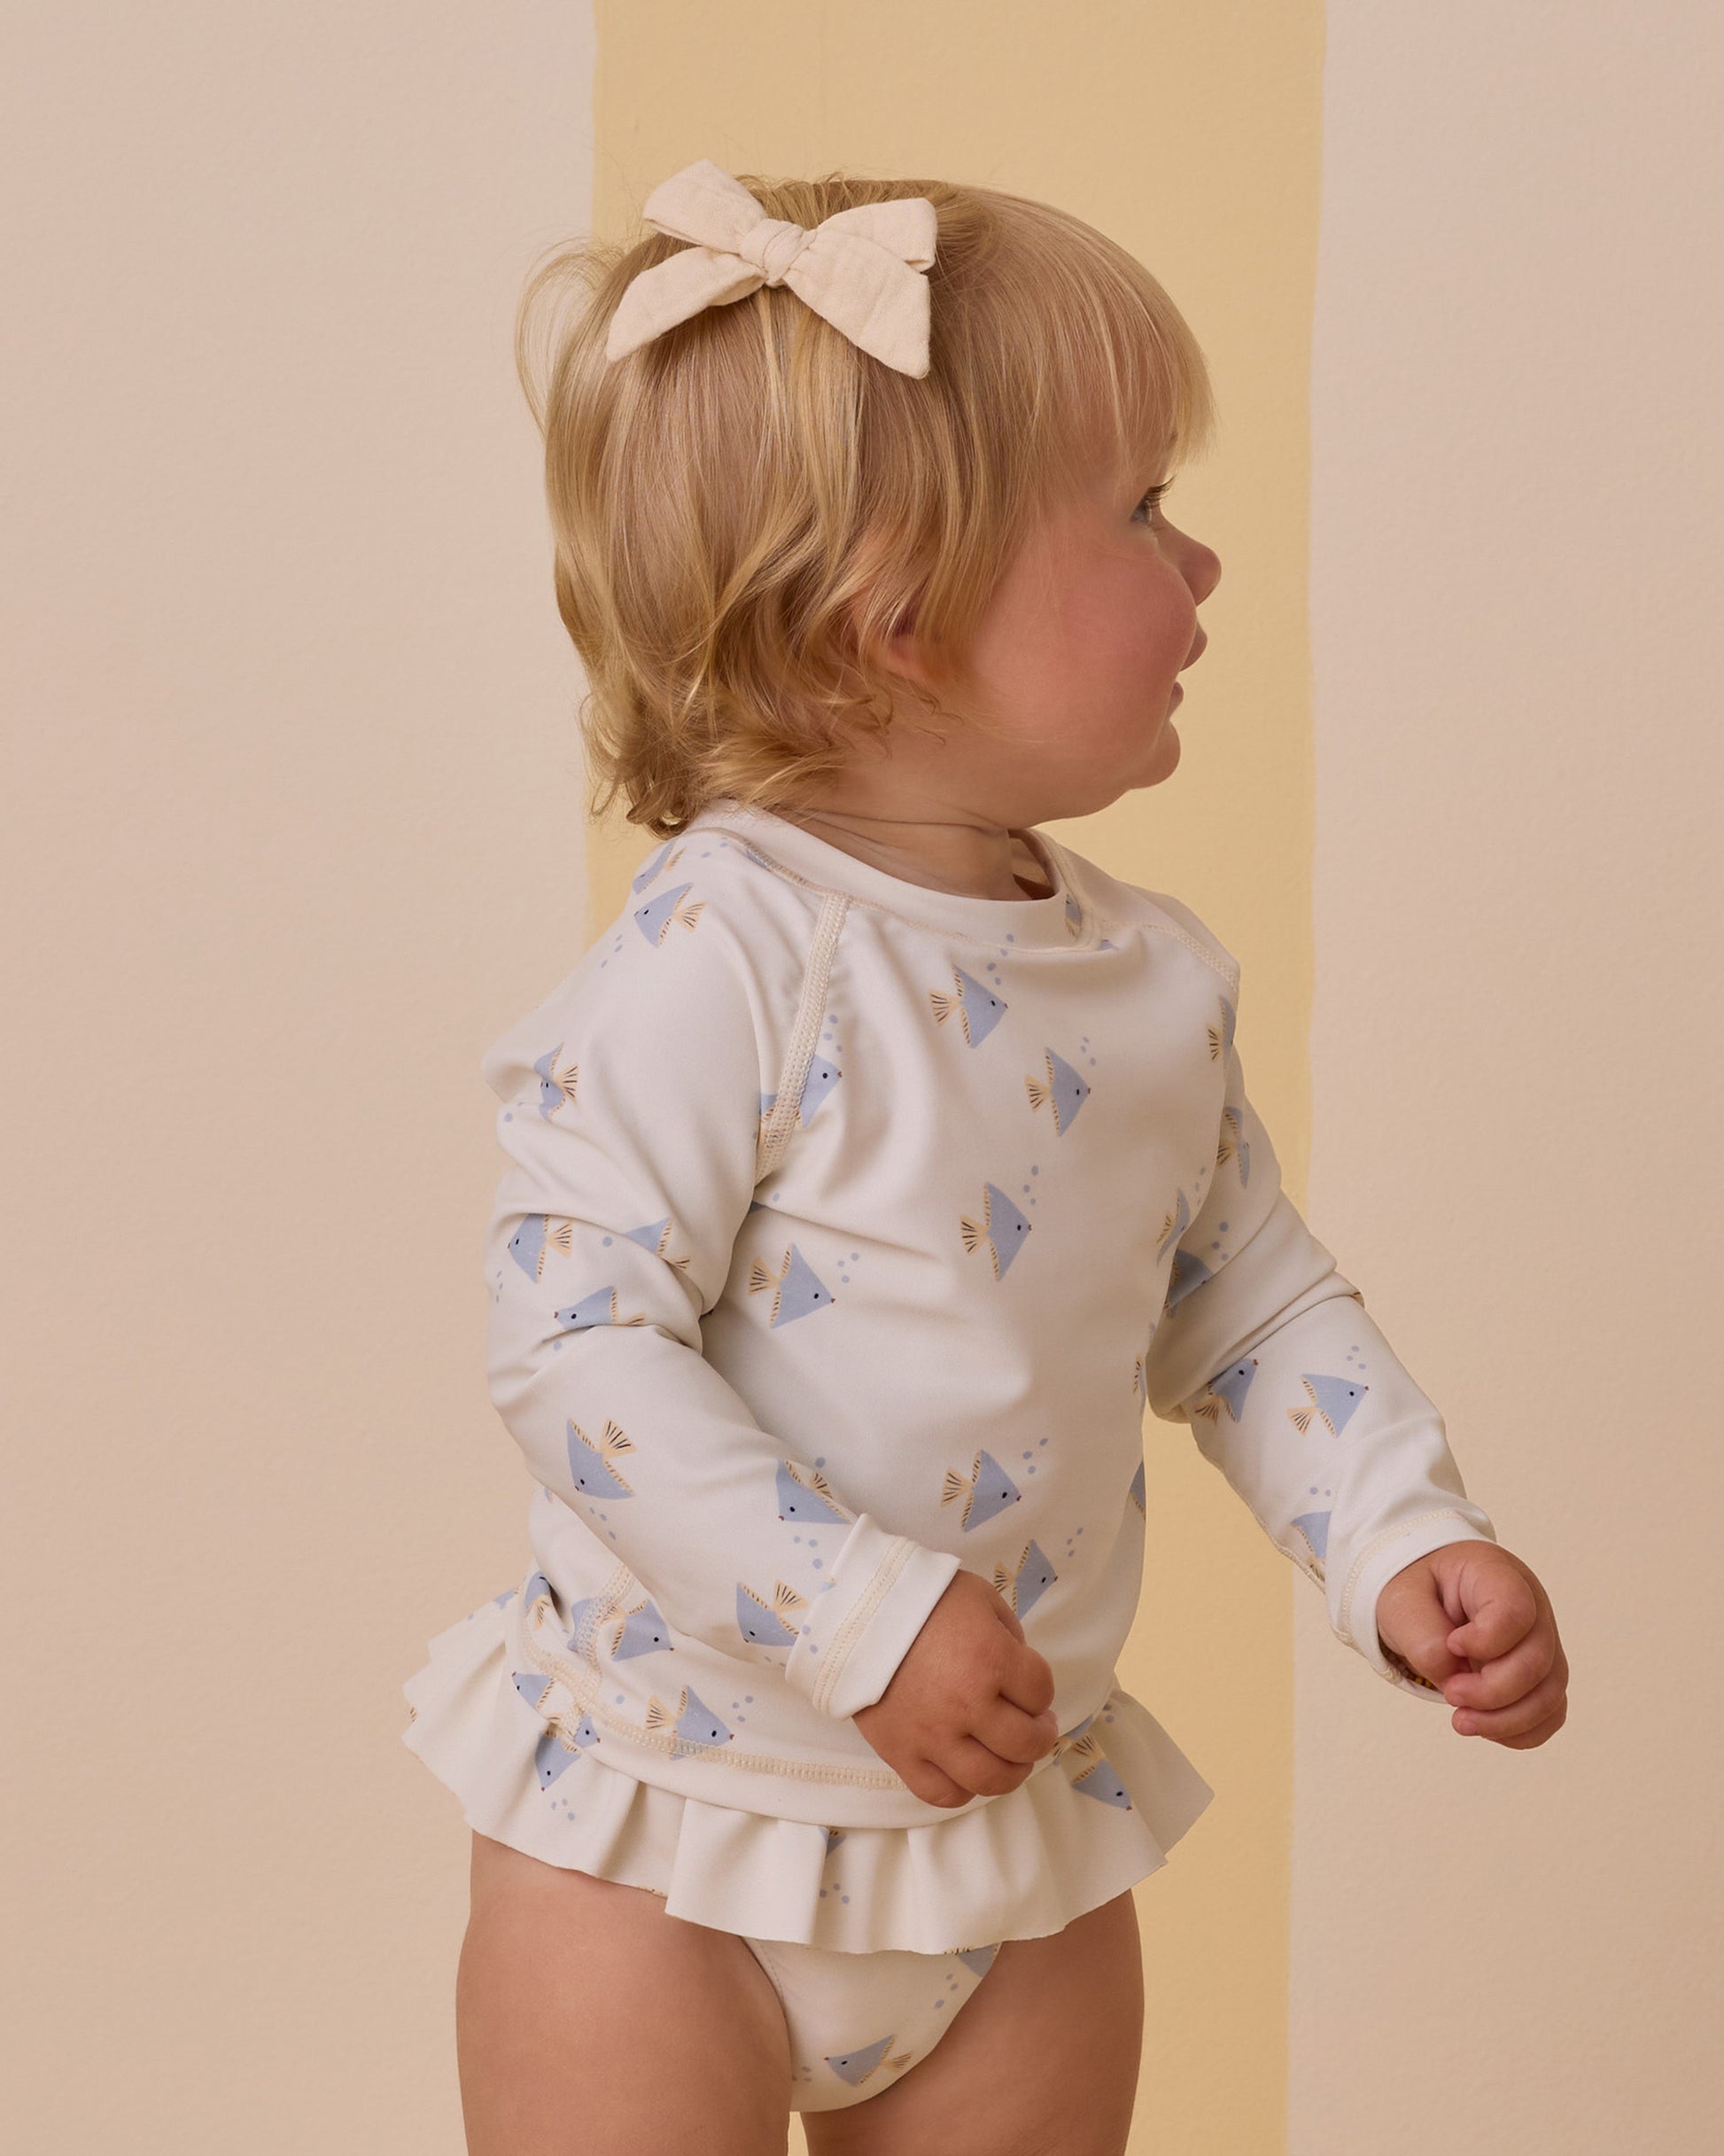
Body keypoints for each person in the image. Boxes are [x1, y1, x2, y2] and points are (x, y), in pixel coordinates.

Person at [400, 159, 1569, 2155]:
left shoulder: (1147, 980)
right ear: (901, 619)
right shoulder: (722, 954)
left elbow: (1248, 1305)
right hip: (661, 1836)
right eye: (1142, 511)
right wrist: (857, 1615)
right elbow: (572, 1340)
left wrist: (1396, 1531)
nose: (1202, 566)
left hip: (1008, 1846)